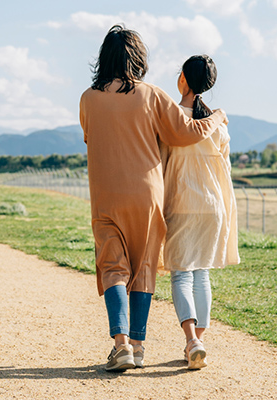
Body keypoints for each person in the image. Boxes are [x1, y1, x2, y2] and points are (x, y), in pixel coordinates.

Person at [79, 25, 229, 372]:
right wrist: (218, 116)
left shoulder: (87, 98)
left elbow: (90, 137)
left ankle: (120, 347)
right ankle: (138, 345)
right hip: (147, 194)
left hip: (104, 195)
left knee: (113, 268)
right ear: (139, 58)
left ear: (104, 58)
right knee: (144, 268)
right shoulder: (152, 95)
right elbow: (186, 132)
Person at [161, 54, 240, 370]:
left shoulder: (171, 120)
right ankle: (198, 342)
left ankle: (192, 339)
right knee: (202, 273)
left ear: (182, 78)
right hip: (213, 206)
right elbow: (226, 167)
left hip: (182, 202)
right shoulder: (219, 125)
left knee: (181, 273)